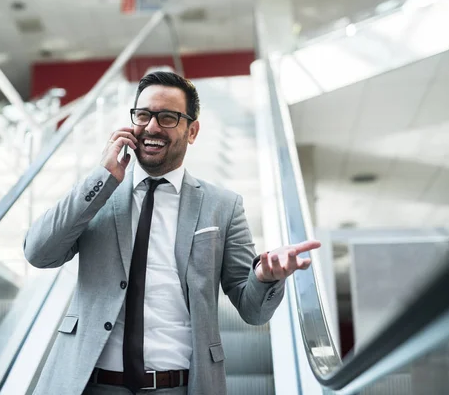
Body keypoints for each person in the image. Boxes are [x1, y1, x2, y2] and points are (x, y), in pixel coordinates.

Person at [24, 71, 321, 395]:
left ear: (192, 130)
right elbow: (38, 253)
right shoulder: (99, 193)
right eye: (143, 115)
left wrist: (265, 277)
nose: (151, 127)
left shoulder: (223, 206)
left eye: (167, 117)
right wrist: (102, 176)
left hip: (178, 387)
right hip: (87, 384)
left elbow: (252, 310)